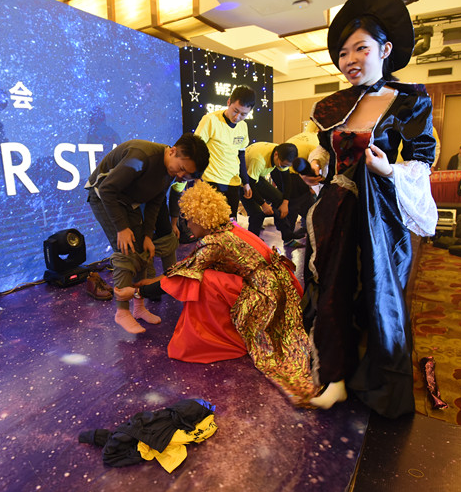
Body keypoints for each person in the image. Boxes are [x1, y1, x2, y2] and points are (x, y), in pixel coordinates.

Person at [301, 0, 438, 418]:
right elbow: (325, 148)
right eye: (343, 53)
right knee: (331, 291)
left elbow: (423, 160)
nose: (350, 60)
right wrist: (318, 163)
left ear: (385, 49)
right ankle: (335, 377)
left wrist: (389, 170)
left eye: (361, 48)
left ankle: (380, 385)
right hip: (336, 209)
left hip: (380, 214)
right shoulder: (332, 105)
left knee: (379, 294)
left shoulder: (409, 99)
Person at [114, 181, 342, 409]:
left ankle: (217, 338)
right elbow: (188, 264)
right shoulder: (229, 228)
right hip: (283, 287)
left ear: (200, 219)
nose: (187, 224)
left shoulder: (213, 242)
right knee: (206, 275)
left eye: (188, 219)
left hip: (266, 296)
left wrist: (137, 291)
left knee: (205, 281)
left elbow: (183, 275)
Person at [85, 134, 209, 334]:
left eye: (186, 175)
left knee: (143, 251)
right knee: (126, 252)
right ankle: (122, 312)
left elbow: (155, 201)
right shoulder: (141, 156)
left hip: (129, 202)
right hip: (104, 197)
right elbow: (107, 189)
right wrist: (121, 228)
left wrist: (148, 236)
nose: (180, 176)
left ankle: (139, 308)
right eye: (181, 169)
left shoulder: (170, 170)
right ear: (173, 151)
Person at [196, 85, 256, 218]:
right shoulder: (210, 120)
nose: (237, 117)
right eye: (235, 111)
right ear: (229, 102)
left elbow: (241, 155)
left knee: (230, 224)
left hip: (233, 182)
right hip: (211, 180)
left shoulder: (243, 126)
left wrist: (246, 182)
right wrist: (196, 177)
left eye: (243, 114)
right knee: (211, 223)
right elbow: (196, 149)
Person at [241, 141, 302, 247]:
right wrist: (263, 204)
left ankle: (287, 237)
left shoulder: (283, 154)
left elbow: (287, 179)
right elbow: (250, 184)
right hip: (242, 181)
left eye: (286, 166)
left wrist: (285, 202)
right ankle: (252, 243)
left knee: (279, 199)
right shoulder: (259, 160)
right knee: (257, 213)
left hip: (255, 176)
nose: (282, 167)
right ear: (276, 154)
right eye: (282, 165)